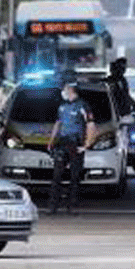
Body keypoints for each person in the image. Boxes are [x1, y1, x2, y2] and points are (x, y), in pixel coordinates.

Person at [47, 82, 96, 214]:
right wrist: (51, 141)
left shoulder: (83, 106)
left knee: (74, 176)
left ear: (71, 90)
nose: (63, 91)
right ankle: (53, 206)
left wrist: (86, 145)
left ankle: (72, 206)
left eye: (65, 89)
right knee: (57, 175)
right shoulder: (62, 106)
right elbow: (58, 123)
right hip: (62, 142)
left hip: (76, 143)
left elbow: (91, 126)